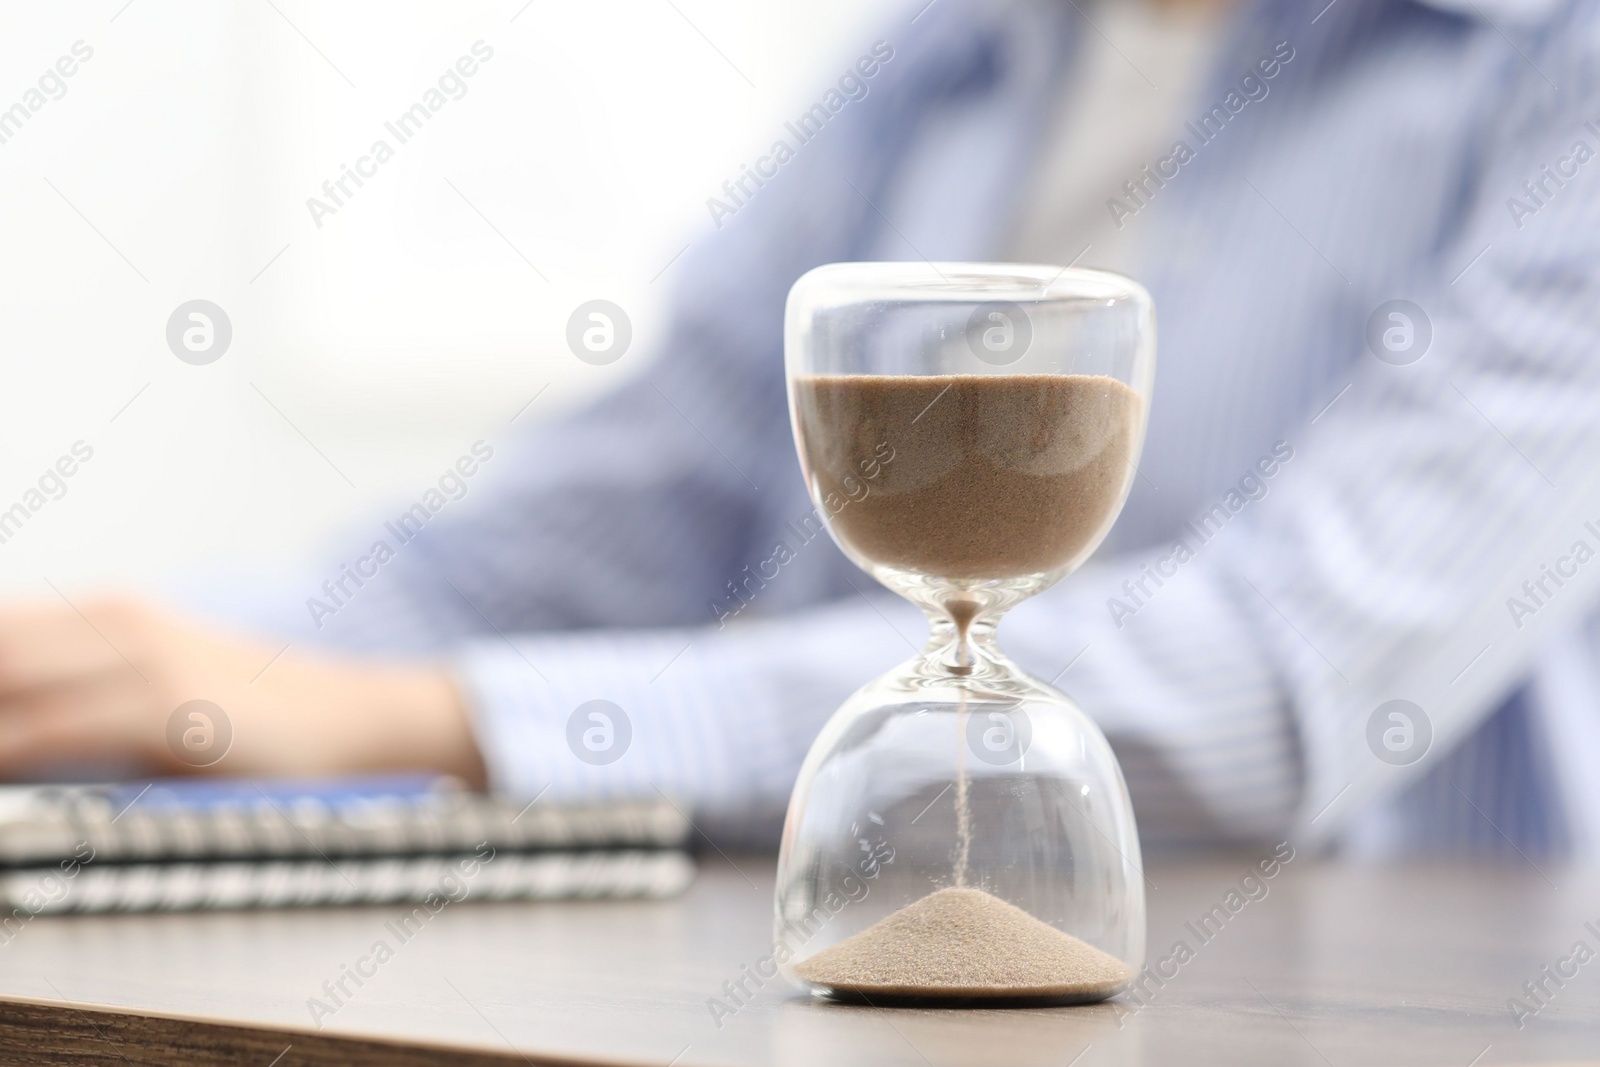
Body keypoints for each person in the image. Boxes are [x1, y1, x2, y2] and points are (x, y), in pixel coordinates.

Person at [3, 0, 1598, 857]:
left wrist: (418, 717)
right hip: (851, 944)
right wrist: (115, 666)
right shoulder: (942, 59)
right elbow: (578, 537)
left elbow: (1268, 682)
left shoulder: (1555, 65)